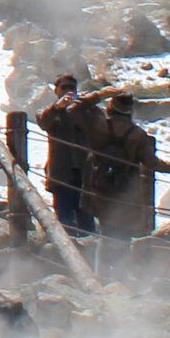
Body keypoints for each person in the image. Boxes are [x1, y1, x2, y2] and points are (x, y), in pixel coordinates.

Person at [83, 94, 170, 275]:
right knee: (123, 237)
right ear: (130, 112)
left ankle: (100, 277)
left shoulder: (98, 127)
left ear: (110, 108)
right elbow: (152, 164)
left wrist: (97, 95)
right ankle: (120, 279)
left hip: (100, 187)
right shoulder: (138, 135)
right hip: (125, 193)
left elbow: (74, 110)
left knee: (105, 234)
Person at [32, 75, 118, 235]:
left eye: (72, 88)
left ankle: (89, 254)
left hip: (85, 174)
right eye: (64, 88)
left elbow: (101, 125)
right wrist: (58, 107)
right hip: (62, 175)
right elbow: (43, 121)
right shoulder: (50, 112)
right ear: (56, 90)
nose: (68, 91)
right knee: (64, 220)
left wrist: (87, 104)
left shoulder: (85, 111)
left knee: (87, 219)